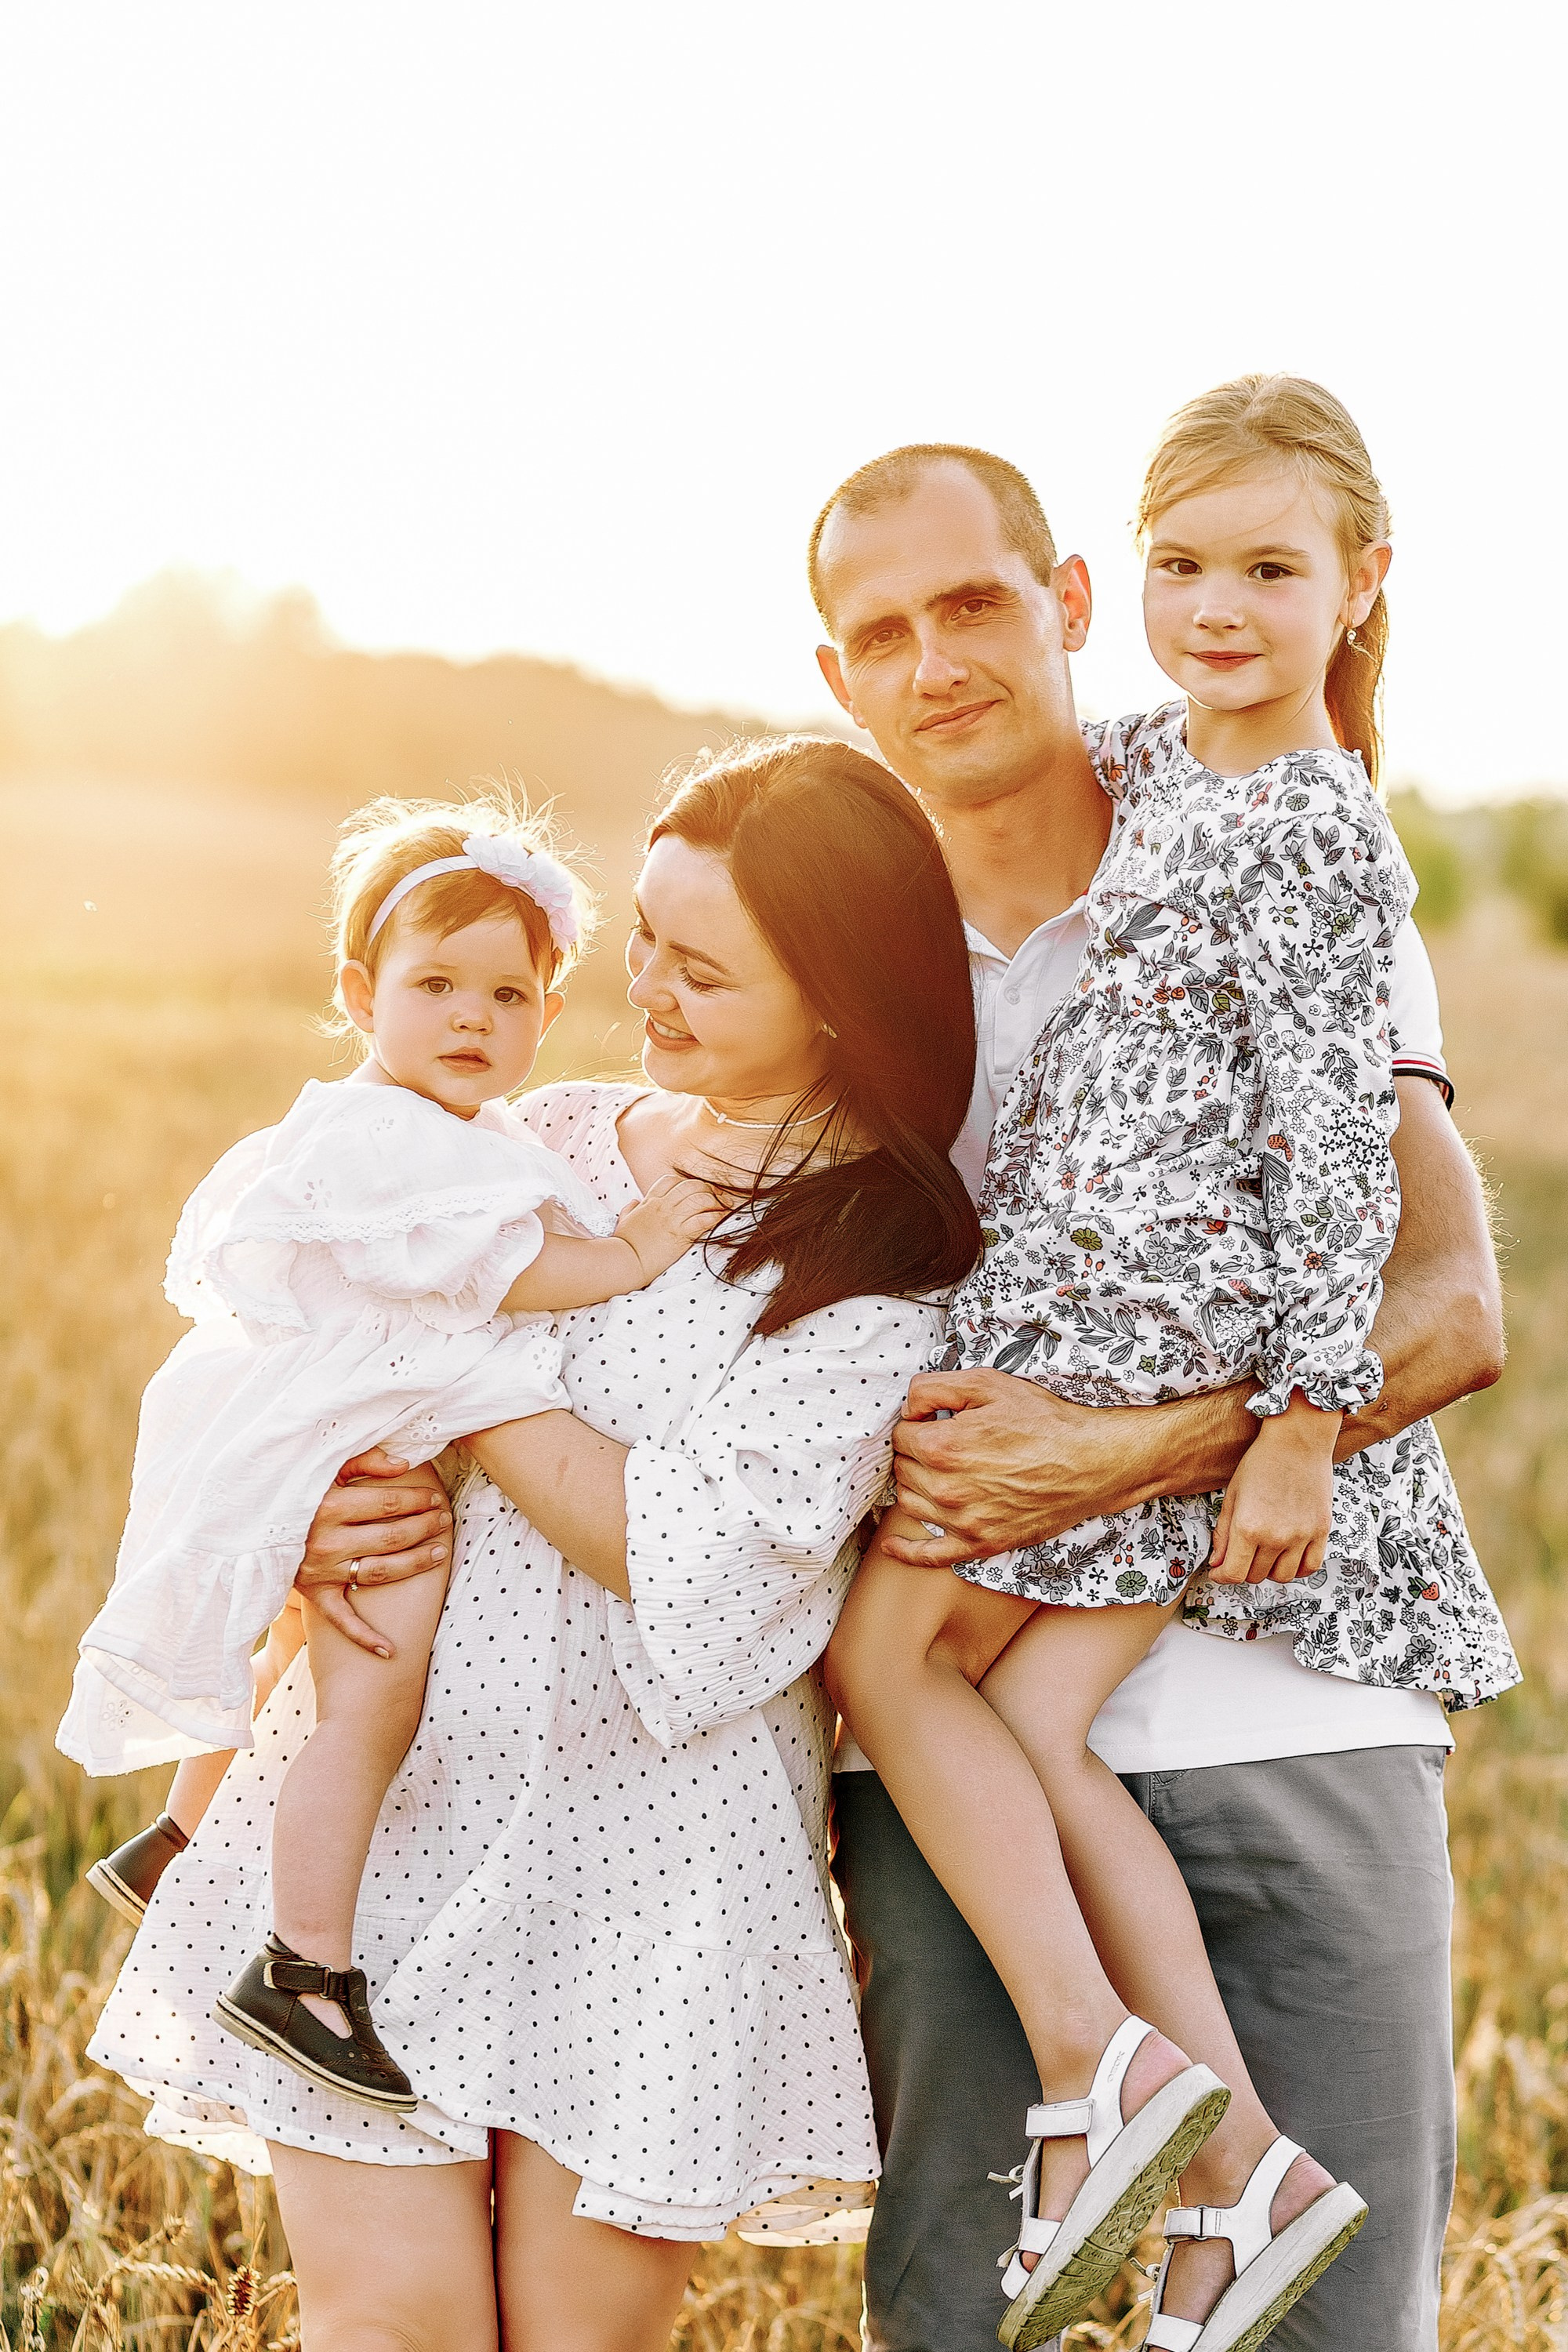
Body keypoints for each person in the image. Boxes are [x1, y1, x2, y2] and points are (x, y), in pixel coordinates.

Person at [89, 735, 980, 2352]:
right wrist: (304, 1507)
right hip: (392, 1817)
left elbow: (691, 1555)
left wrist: (439, 1361)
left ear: (839, 997)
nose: (640, 987)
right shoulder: (545, 1133)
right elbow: (280, 1336)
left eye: (699, 968)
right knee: (392, 2324)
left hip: (655, 1878)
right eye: (643, 934)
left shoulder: (877, 1264)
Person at [822, 380, 1517, 2352]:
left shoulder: (1259, 837)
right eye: (881, 634)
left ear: (1056, 596)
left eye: (972, 604)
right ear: (833, 676)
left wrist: (1126, 1456)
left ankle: (1212, 2170)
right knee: (964, 2323)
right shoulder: (835, 956)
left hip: (1284, 1703)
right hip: (958, 1775)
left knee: (1328, 2330)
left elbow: (1449, 1304)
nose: (937, 664)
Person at [64, 793, 722, 2110]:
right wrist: (641, 1249)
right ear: (360, 995)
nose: (475, 1020)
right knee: (372, 1696)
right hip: (358, 1445)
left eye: (511, 995)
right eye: (437, 986)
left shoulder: (421, 1125)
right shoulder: (395, 1142)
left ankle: (186, 1836)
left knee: (297, 1642)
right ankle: (304, 1966)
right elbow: (505, 1276)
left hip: (335, 1419)